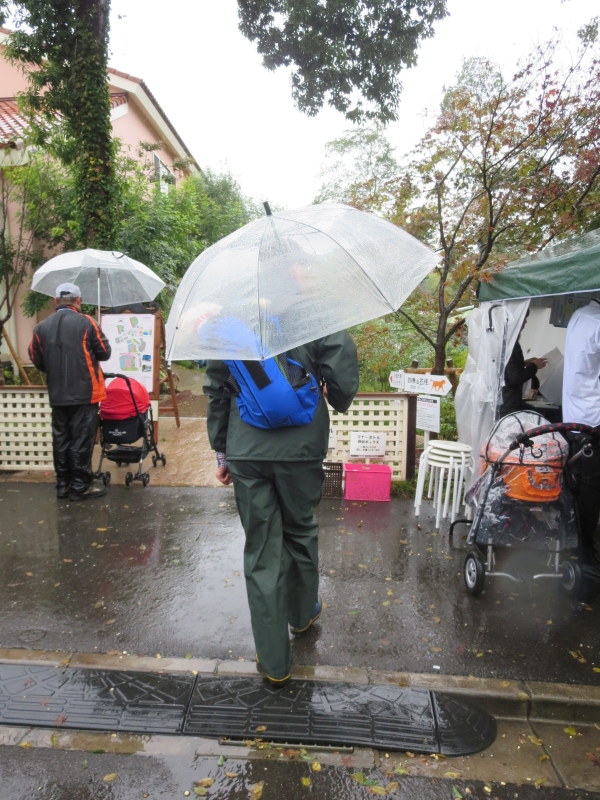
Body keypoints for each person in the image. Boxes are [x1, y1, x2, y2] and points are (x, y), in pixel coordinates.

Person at [205, 332, 359, 687]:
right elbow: (342, 378)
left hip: (246, 446)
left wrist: (222, 451)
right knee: (302, 528)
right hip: (302, 444)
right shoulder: (312, 316)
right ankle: (302, 616)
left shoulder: (233, 323)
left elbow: (216, 389)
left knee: (262, 549)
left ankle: (275, 663)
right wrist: (332, 393)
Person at [28, 282, 111, 501]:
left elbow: (36, 359)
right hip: (86, 394)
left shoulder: (40, 328)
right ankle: (80, 487)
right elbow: (104, 352)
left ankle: (62, 485)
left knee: (61, 439)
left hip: (58, 395)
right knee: (81, 440)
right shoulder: (88, 323)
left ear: (55, 301)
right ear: (79, 301)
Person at [562, 297, 600, 562]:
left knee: (577, 481)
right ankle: (584, 547)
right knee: (590, 486)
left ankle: (573, 539)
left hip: (575, 415)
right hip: (594, 418)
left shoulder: (579, 315)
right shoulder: (597, 322)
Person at [497, 312, 547, 418]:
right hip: (508, 401)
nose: (526, 321)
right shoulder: (510, 343)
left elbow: (508, 366)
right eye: (524, 318)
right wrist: (535, 366)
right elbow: (515, 377)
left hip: (506, 400)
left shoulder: (506, 340)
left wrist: (525, 363)